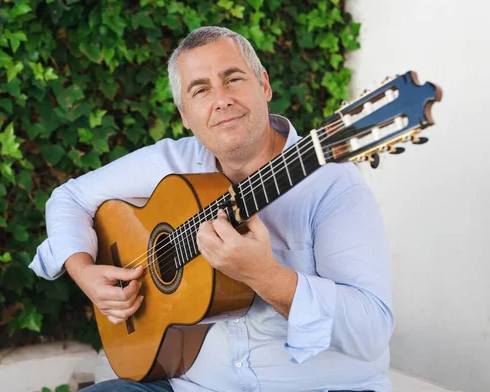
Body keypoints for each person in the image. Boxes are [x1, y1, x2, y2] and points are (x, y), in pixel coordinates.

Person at [30, 26, 394, 392]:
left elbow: (371, 331)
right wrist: (84, 272)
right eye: (201, 89)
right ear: (185, 114)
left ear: (264, 85)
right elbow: (69, 198)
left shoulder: (334, 184)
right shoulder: (171, 162)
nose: (221, 100)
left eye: (233, 79)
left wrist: (265, 276)